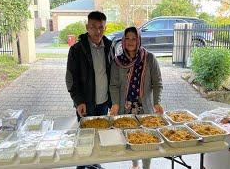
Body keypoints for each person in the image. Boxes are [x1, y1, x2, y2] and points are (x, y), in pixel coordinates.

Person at [109, 26, 164, 169]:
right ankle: (135, 165)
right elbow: (114, 85)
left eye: (134, 38)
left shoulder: (149, 58)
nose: (130, 41)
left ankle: (146, 167)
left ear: (139, 40)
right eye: (127, 38)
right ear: (123, 40)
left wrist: (157, 102)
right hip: (125, 107)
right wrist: (115, 104)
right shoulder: (117, 61)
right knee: (130, 137)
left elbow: (157, 83)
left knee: (147, 140)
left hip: (144, 107)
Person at [65, 11, 111, 169]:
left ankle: (94, 163)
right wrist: (78, 102)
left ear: (105, 28)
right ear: (87, 27)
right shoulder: (77, 50)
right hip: (85, 104)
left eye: (101, 27)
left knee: (99, 136)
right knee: (84, 138)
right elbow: (71, 79)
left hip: (103, 102)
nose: (97, 31)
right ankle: (82, 165)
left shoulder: (109, 47)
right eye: (93, 27)